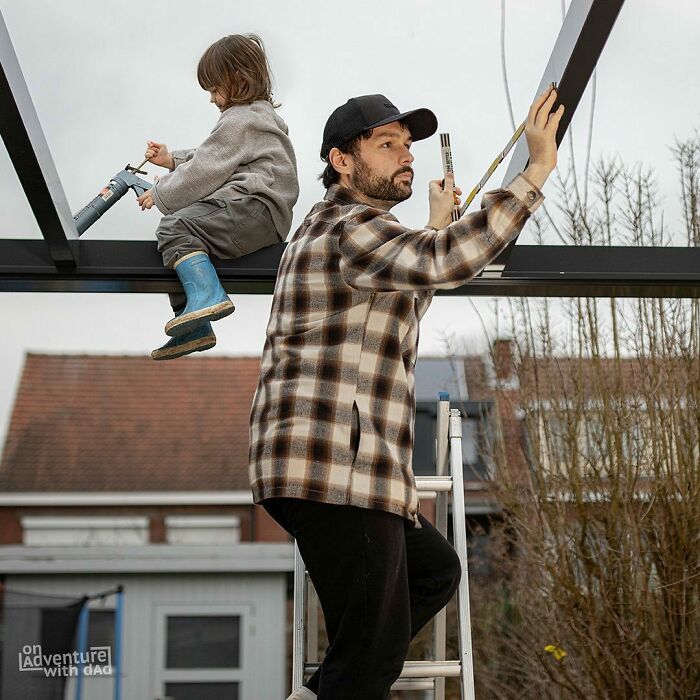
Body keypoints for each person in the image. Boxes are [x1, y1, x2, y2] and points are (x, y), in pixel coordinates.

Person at [249, 88, 563, 700]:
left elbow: (409, 292)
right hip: (334, 467)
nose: (406, 157)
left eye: (409, 146)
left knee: (433, 573)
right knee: (371, 658)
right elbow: (446, 262)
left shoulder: (359, 238)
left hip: (337, 468)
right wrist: (535, 171)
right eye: (387, 144)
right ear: (342, 161)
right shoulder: (349, 226)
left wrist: (435, 225)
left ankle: (325, 688)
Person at [137, 34, 299, 360]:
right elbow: (212, 157)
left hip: (252, 206)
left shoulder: (239, 119)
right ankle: (193, 325)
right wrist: (172, 160)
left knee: (174, 228)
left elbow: (206, 170)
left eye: (214, 89)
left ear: (238, 80)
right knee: (183, 243)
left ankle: (207, 297)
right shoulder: (255, 117)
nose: (212, 99)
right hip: (261, 215)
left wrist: (160, 192)